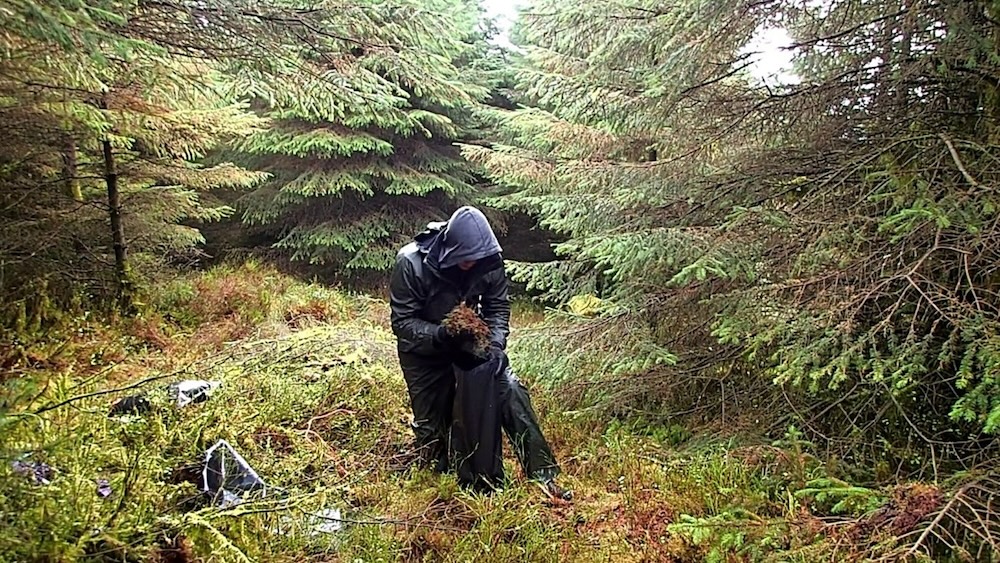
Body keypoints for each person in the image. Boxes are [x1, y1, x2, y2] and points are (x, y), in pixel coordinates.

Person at [389, 206, 572, 501]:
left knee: (510, 389)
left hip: (467, 342)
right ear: (451, 249)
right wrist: (440, 334)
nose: (471, 264)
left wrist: (495, 345)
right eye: (465, 259)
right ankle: (441, 461)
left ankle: (543, 475)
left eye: (476, 259)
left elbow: (497, 307)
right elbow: (402, 322)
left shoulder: (488, 260)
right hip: (423, 353)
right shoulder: (411, 263)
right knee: (434, 445)